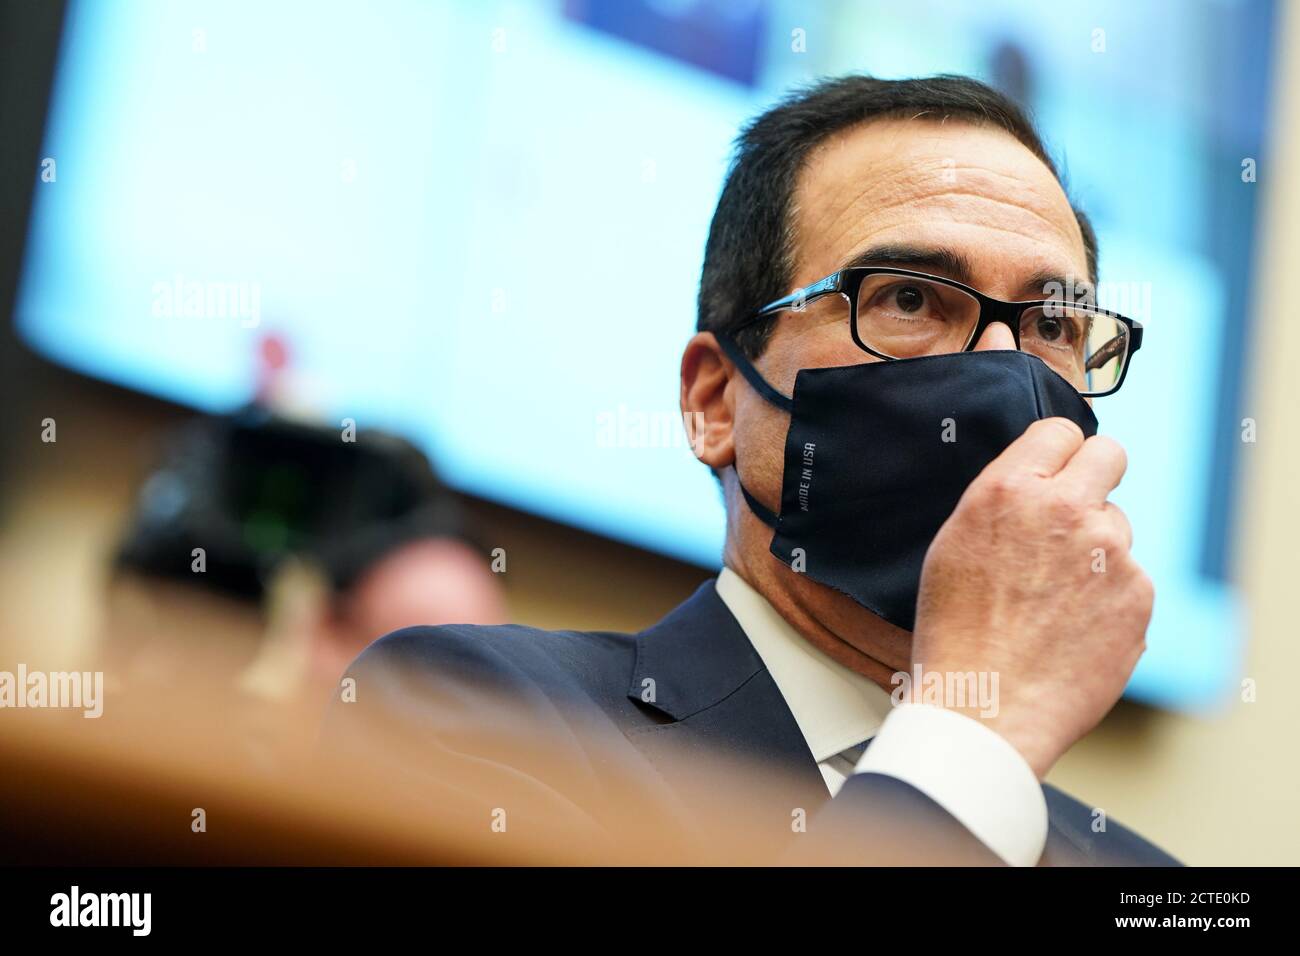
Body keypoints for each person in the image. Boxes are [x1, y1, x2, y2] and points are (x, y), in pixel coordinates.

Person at [332, 74, 1178, 866]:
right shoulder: (475, 715)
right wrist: (971, 733)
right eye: (909, 298)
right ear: (714, 401)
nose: (1002, 372)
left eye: (1055, 326)